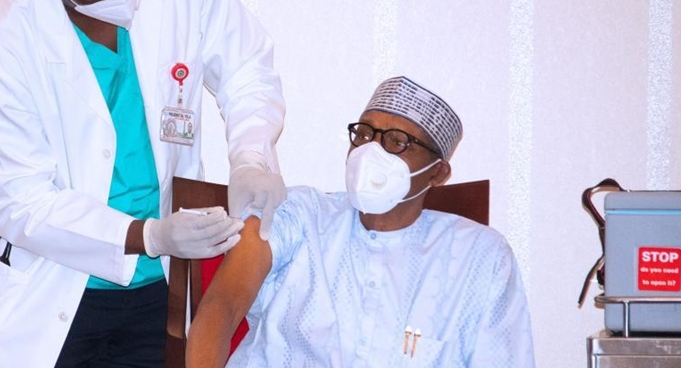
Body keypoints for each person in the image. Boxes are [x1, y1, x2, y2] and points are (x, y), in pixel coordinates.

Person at [0, 0, 286, 366]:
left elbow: (245, 68)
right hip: (49, 290)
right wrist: (148, 236)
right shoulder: (0, 46)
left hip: (158, 292)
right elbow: (20, 200)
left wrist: (252, 158)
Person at [187, 76, 535, 368]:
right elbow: (222, 306)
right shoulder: (299, 214)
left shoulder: (481, 258)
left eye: (398, 142)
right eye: (365, 134)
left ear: (438, 173)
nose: (372, 152)